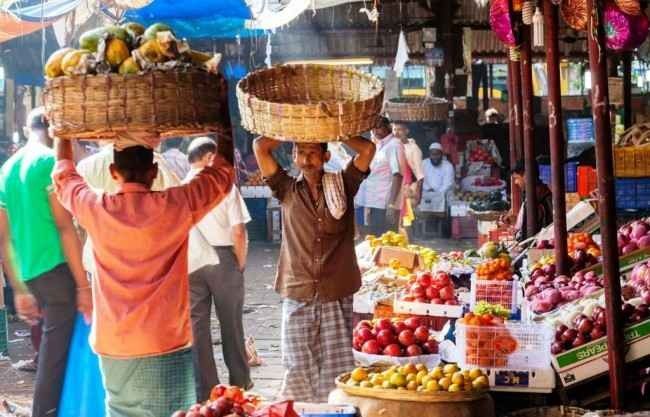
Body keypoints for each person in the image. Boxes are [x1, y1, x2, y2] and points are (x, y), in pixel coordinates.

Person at [52, 140, 234, 417]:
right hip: (165, 341)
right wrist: (223, 122)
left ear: (113, 171)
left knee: (119, 411)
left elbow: (64, 174)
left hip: (115, 344)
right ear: (154, 171)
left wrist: (62, 135)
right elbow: (222, 173)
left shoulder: (96, 207)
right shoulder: (176, 206)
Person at [253, 135, 375, 402]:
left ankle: (333, 410)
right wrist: (293, 127)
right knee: (296, 365)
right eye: (300, 152)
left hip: (336, 289)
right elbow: (260, 147)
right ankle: (299, 408)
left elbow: (367, 148)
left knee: (337, 367)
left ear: (326, 157)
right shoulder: (285, 188)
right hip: (297, 289)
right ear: (294, 157)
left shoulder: (344, 185)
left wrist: (336, 131)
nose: (306, 159)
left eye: (313, 152)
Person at [0, 107, 92, 417]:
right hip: (57, 272)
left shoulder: (7, 168)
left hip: (31, 274)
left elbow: (4, 239)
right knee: (55, 358)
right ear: (54, 130)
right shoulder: (50, 163)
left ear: (27, 129)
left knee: (49, 354)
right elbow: (66, 227)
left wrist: (19, 288)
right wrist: (83, 284)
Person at [185, 137, 253, 400]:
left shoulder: (180, 187)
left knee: (197, 327)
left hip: (191, 261)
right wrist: (240, 262)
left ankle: (206, 389)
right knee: (231, 323)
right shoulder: (222, 186)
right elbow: (238, 231)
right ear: (210, 158)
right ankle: (240, 382)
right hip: (223, 258)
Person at [355, 117, 404, 236]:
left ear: (389, 127)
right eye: (373, 128)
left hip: (383, 204)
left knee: (383, 240)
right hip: (370, 201)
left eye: (379, 127)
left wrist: (391, 204)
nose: (376, 130)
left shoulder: (394, 145)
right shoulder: (378, 146)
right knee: (370, 239)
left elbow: (397, 175)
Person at [502, 160, 553, 241]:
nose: (516, 182)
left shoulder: (536, 197)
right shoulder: (534, 193)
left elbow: (530, 232)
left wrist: (518, 234)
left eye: (517, 178)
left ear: (526, 175)